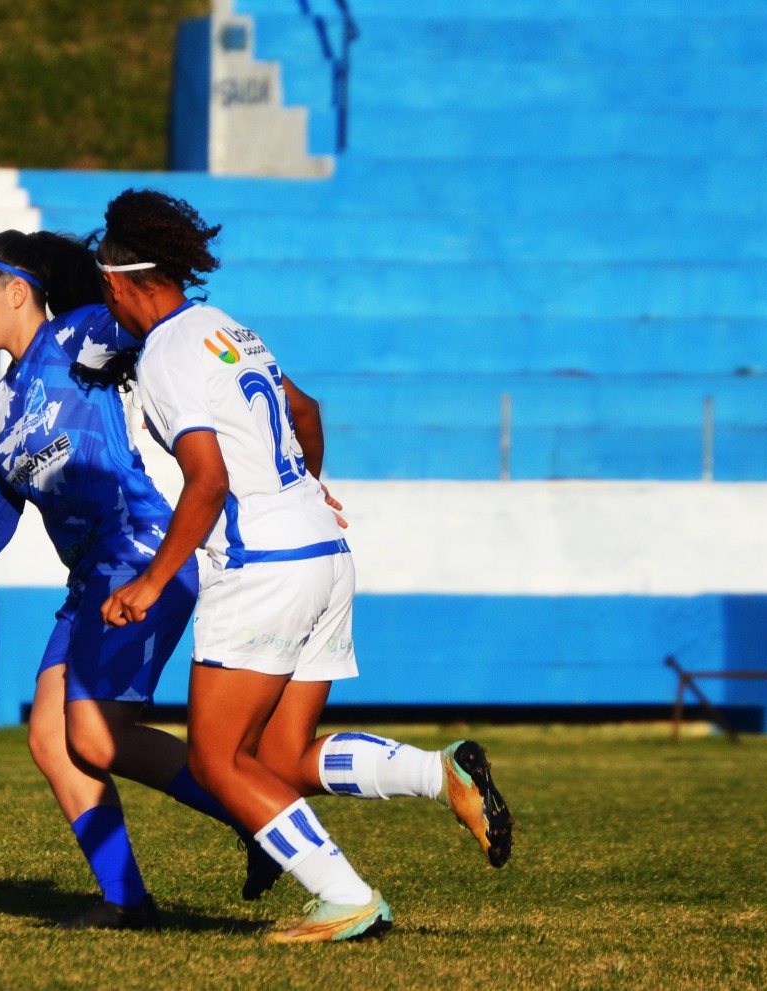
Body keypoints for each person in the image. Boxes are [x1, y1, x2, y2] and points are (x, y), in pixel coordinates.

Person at [94, 189, 513, 943]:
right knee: (281, 755)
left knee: (218, 759)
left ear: (122, 278)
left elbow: (208, 477)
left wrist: (153, 580)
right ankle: (439, 770)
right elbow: (307, 411)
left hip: (265, 566)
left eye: (105, 287)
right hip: (324, 548)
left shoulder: (163, 353)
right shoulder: (230, 329)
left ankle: (345, 895)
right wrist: (307, 489)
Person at [0, 229, 279, 930]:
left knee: (91, 734)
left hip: (145, 555)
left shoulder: (78, 339)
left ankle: (257, 811)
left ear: (18, 291)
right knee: (52, 742)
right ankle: (128, 901)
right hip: (93, 579)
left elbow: (157, 331)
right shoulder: (1, 409)